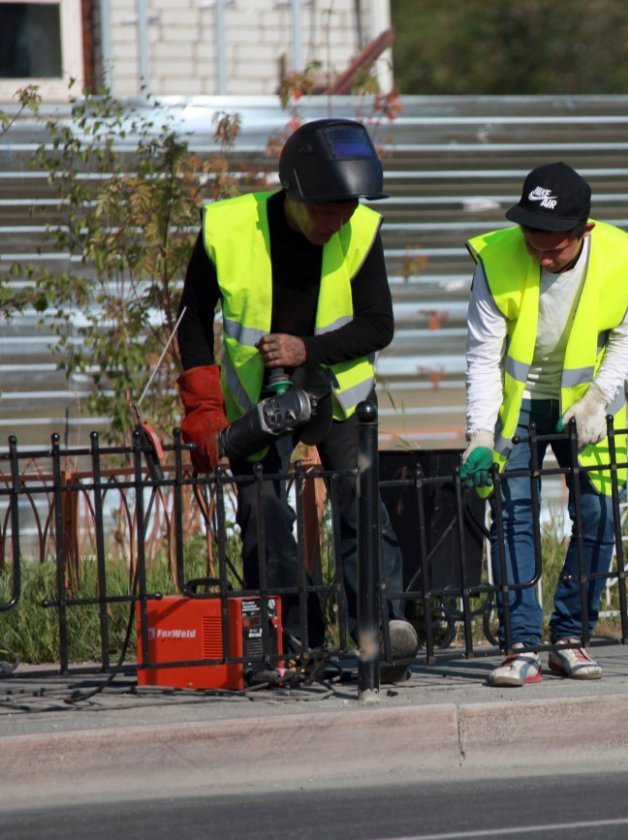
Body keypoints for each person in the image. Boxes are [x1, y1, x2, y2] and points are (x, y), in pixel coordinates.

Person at [175, 118, 417, 682]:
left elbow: (378, 325)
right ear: (295, 191)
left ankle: (380, 636)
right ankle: (284, 644)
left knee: (361, 509)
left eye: (348, 209)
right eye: (326, 210)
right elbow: (191, 322)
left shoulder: (360, 230)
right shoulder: (228, 229)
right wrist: (204, 408)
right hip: (255, 397)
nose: (338, 222)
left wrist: (306, 347)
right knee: (263, 514)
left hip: (337, 390)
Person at [459, 162, 628, 687]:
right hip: (516, 407)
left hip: (589, 404)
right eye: (532, 242)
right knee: (514, 515)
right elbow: (482, 356)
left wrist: (597, 400)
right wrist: (479, 434)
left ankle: (570, 638)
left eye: (555, 248)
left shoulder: (621, 260)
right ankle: (520, 646)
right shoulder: (495, 260)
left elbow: (627, 339)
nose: (542, 256)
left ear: (582, 231)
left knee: (598, 513)